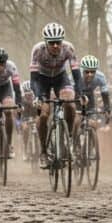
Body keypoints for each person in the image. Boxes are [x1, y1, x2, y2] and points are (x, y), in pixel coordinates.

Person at [29, 23, 81, 168]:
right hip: (42, 80)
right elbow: (33, 79)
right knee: (43, 115)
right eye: (52, 43)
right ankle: (43, 151)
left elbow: (77, 75)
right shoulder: (38, 50)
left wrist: (80, 93)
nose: (56, 46)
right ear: (46, 42)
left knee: (70, 104)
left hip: (60, 78)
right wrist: (38, 96)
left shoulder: (68, 48)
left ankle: (68, 139)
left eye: (58, 42)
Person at [78, 55, 112, 123]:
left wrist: (107, 109)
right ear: (82, 70)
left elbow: (105, 94)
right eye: (87, 72)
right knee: (76, 120)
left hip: (90, 96)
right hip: (77, 95)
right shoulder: (77, 76)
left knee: (92, 121)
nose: (90, 74)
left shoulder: (100, 76)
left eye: (92, 71)